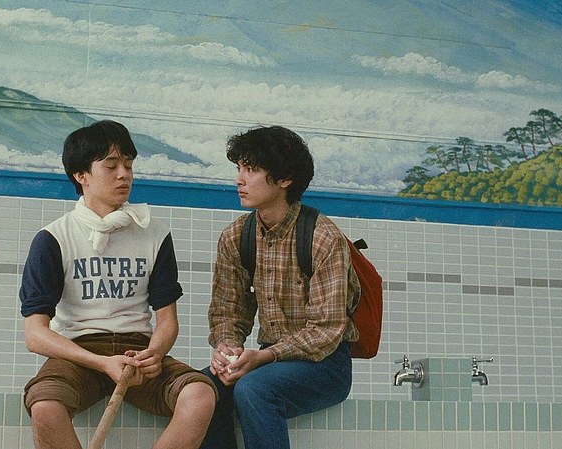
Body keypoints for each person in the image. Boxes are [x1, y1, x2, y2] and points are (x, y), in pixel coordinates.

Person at [19, 120, 216, 449]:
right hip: (78, 355)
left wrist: (154, 354)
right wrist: (101, 362)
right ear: (81, 175)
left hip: (138, 351)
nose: (124, 174)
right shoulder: (53, 238)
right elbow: (35, 335)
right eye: (111, 166)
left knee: (200, 394)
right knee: (45, 404)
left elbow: (167, 320)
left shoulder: (155, 233)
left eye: (128, 165)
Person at [199, 125, 361, 449]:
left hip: (326, 365)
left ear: (285, 178)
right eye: (239, 168)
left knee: (254, 389)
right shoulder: (236, 236)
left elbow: (326, 330)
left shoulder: (322, 237)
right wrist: (227, 350)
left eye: (251, 169)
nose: (239, 179)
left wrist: (265, 356)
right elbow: (228, 311)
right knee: (201, 387)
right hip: (269, 359)